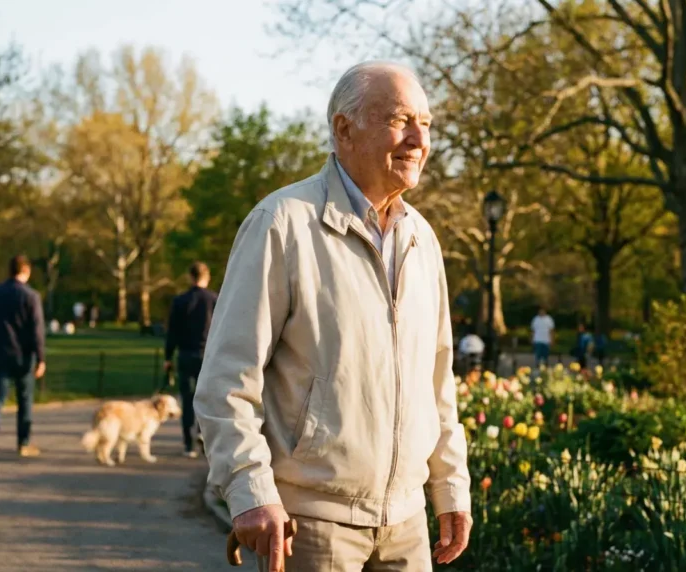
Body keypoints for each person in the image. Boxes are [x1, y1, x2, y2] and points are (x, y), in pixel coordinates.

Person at [194, 61, 471, 571]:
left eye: (426, 124)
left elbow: (438, 380)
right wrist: (250, 491)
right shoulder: (281, 224)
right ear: (344, 128)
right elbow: (226, 382)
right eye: (400, 120)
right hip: (310, 526)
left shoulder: (423, 239)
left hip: (407, 527)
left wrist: (450, 486)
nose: (418, 139)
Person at [0, 255, 46, 459]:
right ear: (26, 271)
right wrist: (41, 357)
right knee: (24, 400)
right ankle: (23, 442)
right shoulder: (31, 296)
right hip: (24, 355)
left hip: (0, 353)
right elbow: (37, 329)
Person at [164, 261, 217, 459]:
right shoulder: (214, 299)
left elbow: (172, 333)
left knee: (187, 399)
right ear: (207, 276)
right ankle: (205, 435)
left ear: (190, 276)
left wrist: (168, 357)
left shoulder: (180, 301)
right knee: (208, 399)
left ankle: (188, 443)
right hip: (208, 356)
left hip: (185, 354)